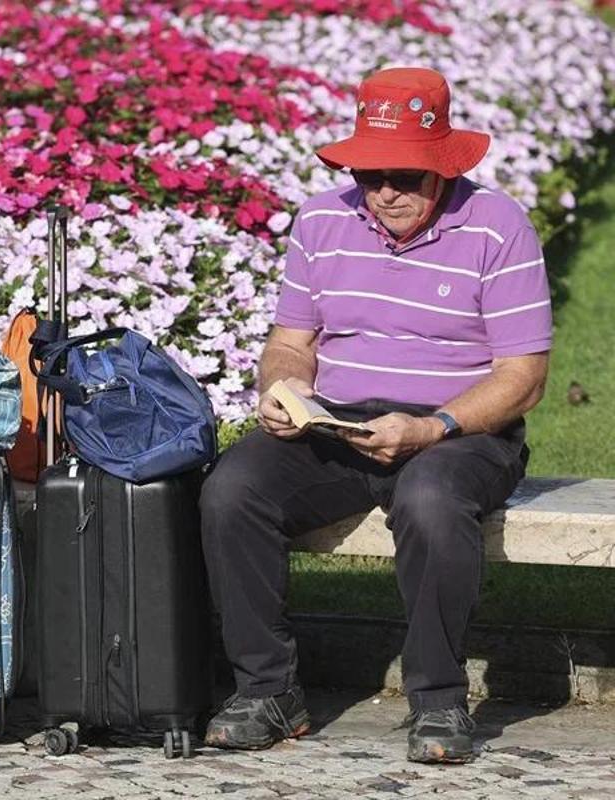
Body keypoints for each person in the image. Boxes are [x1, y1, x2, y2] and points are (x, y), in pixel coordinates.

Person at [200, 67, 551, 764]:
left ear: (443, 168)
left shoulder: (497, 224)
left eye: (406, 175)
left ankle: (439, 701)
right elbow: (290, 343)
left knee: (428, 498)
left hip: (460, 430)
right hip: (339, 422)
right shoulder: (322, 219)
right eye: (370, 174)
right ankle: (268, 690)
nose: (385, 191)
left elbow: (524, 377)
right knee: (229, 489)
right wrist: (284, 389)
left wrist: (430, 429)